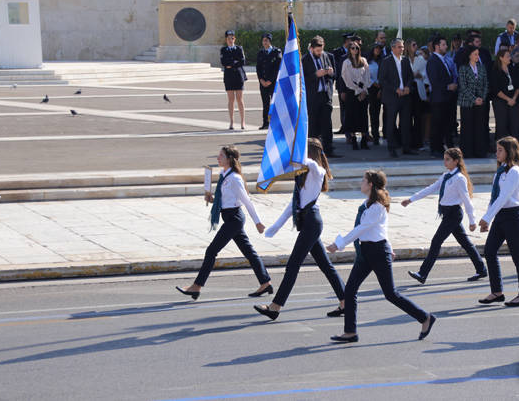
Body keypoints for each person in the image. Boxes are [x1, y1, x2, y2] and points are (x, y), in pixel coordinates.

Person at [327, 170, 437, 342]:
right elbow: (380, 229)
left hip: (378, 252)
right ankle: (350, 332)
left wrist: (338, 244)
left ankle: (425, 317)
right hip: (367, 251)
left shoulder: (376, 206)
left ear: (370, 184)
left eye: (363, 180)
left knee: (390, 294)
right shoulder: (369, 204)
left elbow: (361, 228)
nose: (361, 183)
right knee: (350, 290)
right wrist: (390, 248)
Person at [254, 138, 346, 320]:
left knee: (293, 266)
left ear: (309, 153)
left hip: (312, 222)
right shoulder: (304, 174)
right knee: (326, 266)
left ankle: (275, 307)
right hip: (307, 222)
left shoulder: (317, 171)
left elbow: (312, 165)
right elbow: (293, 205)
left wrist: (299, 154)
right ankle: (345, 301)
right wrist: (276, 226)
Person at [176, 146, 271, 300]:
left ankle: (196, 287)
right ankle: (265, 282)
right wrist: (213, 200)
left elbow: (247, 201)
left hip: (234, 219)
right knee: (249, 252)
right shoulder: (224, 175)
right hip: (229, 216)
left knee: (211, 251)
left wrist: (258, 222)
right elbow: (225, 199)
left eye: (221, 156)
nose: (218, 158)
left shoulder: (234, 178)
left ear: (229, 159)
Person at [403, 147, 488, 284]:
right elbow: (431, 188)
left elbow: (466, 200)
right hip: (447, 213)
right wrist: (411, 199)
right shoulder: (446, 175)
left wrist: (472, 220)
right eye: (444, 159)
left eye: (448, 159)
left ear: (456, 161)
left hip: (454, 214)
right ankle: (481, 269)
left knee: (436, 241)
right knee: (465, 243)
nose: (445, 162)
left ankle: (422, 274)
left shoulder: (459, 178)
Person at [478, 136, 519, 307]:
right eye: (497, 149)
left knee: (517, 255)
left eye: (500, 150)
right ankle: (497, 292)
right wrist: (488, 217)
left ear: (510, 151)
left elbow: (504, 197)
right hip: (501, 215)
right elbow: (494, 197)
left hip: (514, 216)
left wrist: (487, 217)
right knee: (489, 251)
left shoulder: (515, 171)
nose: (497, 153)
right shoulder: (500, 171)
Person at [302, 36, 341, 158]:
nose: (320, 53)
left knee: (327, 125)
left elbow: (334, 75)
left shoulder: (325, 56)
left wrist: (330, 72)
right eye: (318, 51)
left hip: (325, 95)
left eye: (321, 50)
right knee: (313, 125)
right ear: (312, 48)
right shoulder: (305, 60)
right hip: (313, 97)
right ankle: (313, 152)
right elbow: (302, 80)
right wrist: (316, 75)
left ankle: (329, 149)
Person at [379, 38, 416, 158]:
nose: (402, 49)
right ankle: (392, 148)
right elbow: (382, 80)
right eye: (399, 47)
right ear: (393, 48)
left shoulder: (405, 60)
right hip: (392, 97)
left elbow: (410, 76)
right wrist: (395, 89)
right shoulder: (386, 61)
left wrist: (408, 87)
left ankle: (406, 147)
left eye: (403, 47)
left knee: (406, 122)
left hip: (405, 96)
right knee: (391, 123)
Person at [457, 44, 489, 158]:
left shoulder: (481, 67)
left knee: (479, 127)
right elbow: (463, 86)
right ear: (469, 55)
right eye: (475, 54)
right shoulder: (463, 68)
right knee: (467, 127)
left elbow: (486, 83)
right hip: (467, 102)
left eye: (478, 54)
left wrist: (482, 98)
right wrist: (474, 99)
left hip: (480, 102)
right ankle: (467, 152)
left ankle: (479, 151)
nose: (477, 56)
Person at [341, 42, 372, 150]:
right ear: (349, 50)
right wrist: (358, 90)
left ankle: (364, 140)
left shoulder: (363, 60)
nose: (355, 50)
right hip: (352, 92)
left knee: (363, 116)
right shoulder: (346, 63)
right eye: (353, 48)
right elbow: (346, 79)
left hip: (363, 93)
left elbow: (367, 76)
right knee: (352, 116)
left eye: (357, 48)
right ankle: (353, 139)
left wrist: (364, 90)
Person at [490, 48, 519, 141]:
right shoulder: (495, 71)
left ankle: (514, 147)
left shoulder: (512, 69)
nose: (510, 58)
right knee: (502, 126)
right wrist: (508, 99)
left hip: (513, 101)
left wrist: (514, 98)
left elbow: (518, 86)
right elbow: (496, 89)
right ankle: (501, 147)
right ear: (501, 58)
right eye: (507, 56)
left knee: (515, 125)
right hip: (500, 102)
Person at [220, 30, 248, 130]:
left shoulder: (239, 48)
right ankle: (231, 122)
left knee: (240, 99)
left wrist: (231, 64)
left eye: (232, 38)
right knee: (231, 99)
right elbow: (223, 62)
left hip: (238, 76)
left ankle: (242, 122)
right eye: (228, 38)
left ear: (234, 39)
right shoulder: (223, 50)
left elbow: (242, 61)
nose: (230, 40)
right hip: (229, 76)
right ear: (226, 39)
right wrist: (235, 62)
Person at [256, 32, 282, 130]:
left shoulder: (276, 52)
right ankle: (265, 123)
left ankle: (276, 123)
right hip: (263, 82)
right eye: (263, 41)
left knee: (275, 103)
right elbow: (258, 68)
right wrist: (261, 80)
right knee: (265, 103)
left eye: (266, 40)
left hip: (273, 82)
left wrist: (270, 80)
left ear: (270, 41)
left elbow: (277, 68)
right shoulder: (261, 53)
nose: (264, 42)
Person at [332, 33, 354, 136]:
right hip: (341, 83)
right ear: (346, 41)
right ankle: (344, 126)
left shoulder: (355, 51)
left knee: (351, 108)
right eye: (350, 40)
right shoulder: (337, 52)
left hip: (352, 85)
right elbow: (337, 68)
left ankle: (349, 128)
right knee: (343, 107)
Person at [412, 45, 432, 150]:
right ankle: (421, 138)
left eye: (422, 53)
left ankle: (426, 138)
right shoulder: (417, 63)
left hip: (427, 91)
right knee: (421, 117)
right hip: (419, 91)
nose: (420, 56)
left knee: (428, 116)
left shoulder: (430, 64)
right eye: (419, 54)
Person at [367, 43, 384, 146]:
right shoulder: (368, 61)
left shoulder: (383, 61)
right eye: (376, 48)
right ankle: (375, 135)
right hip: (371, 88)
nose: (377, 50)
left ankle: (382, 134)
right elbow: (366, 75)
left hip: (381, 88)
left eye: (379, 49)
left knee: (380, 112)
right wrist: (373, 83)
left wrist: (380, 87)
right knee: (373, 113)